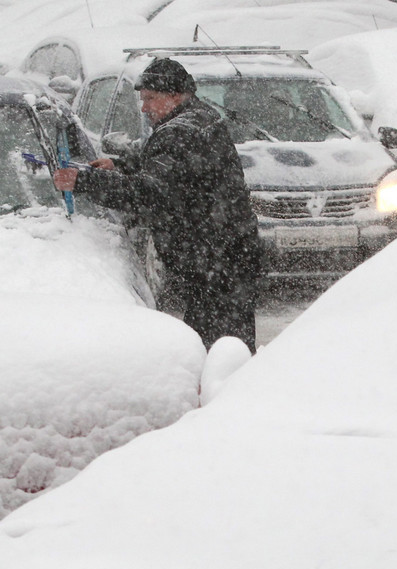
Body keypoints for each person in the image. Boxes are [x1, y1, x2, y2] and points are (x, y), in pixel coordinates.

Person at [53, 57, 261, 352]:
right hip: (229, 252)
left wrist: (84, 182)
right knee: (233, 341)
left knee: (213, 346)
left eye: (150, 98)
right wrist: (120, 164)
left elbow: (147, 193)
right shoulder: (200, 117)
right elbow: (177, 169)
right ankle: (236, 382)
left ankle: (223, 391)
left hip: (213, 259)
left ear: (175, 95)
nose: (144, 107)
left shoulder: (178, 132)